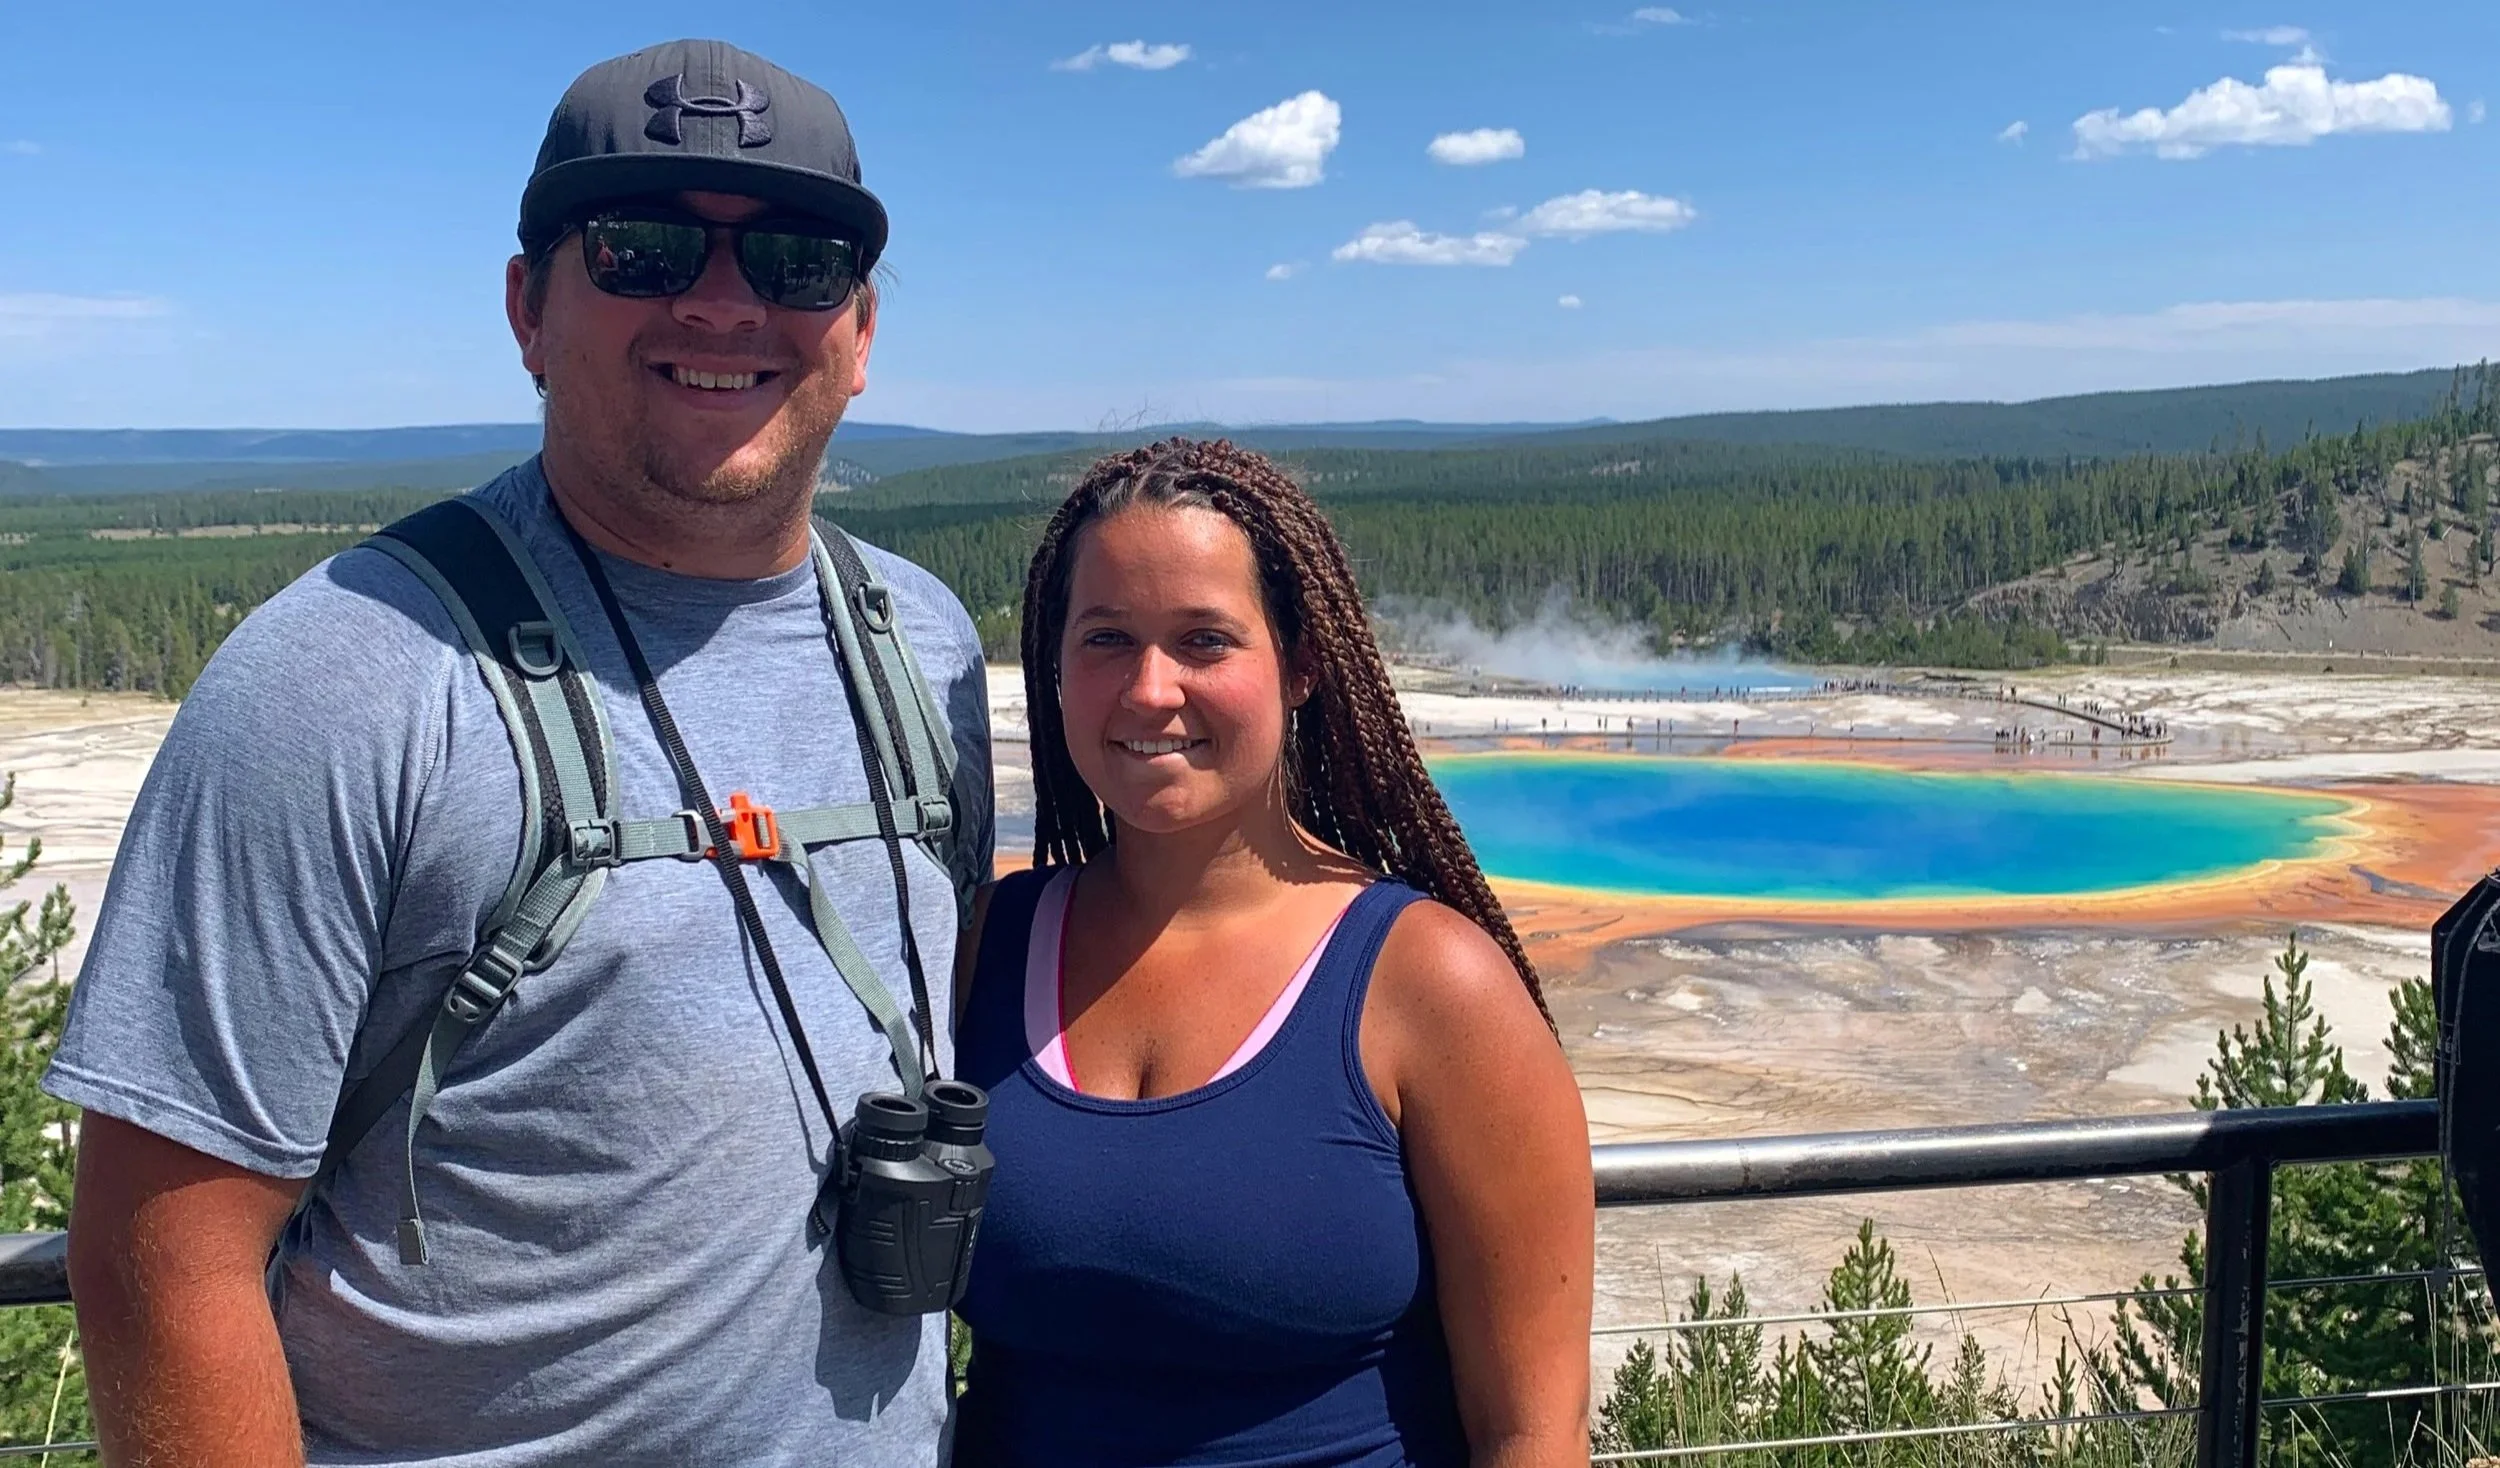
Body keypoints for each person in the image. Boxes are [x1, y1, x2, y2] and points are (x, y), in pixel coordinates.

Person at [45, 39, 991, 1467]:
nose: (723, 301)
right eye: (644, 246)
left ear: (857, 334)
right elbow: (161, 1251)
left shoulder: (920, 647)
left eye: (795, 260)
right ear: (526, 309)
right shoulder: (345, 679)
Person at [951, 439, 1593, 1466]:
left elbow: (1531, 1431)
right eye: (1106, 637)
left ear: (1299, 665)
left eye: (1203, 640)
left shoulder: (1431, 983)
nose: (1150, 689)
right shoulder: (990, 942)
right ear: (1054, 665)